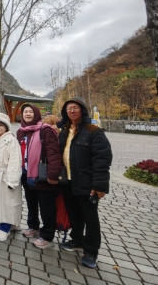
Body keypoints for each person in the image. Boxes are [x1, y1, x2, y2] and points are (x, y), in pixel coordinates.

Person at [58, 98, 112, 269]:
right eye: (68, 109)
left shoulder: (93, 131)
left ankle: (91, 251)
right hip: (68, 182)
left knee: (90, 218)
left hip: (87, 183)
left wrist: (99, 186)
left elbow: (102, 159)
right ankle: (77, 240)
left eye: (75, 108)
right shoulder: (65, 130)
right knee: (74, 214)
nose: (72, 111)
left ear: (82, 110)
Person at [16, 104, 62, 249]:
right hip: (26, 174)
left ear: (36, 114)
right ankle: (33, 226)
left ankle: (47, 236)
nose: (28, 114)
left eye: (30, 111)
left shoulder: (45, 130)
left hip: (42, 175)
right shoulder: (20, 131)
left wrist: (53, 174)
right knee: (31, 203)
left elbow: (54, 153)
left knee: (46, 206)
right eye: (25, 112)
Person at [0, 113, 22, 241]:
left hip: (6, 176)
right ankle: (12, 223)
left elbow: (15, 161)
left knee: (8, 202)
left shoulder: (11, 140)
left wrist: (12, 180)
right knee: (1, 202)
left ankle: (5, 228)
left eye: (1, 125)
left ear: (6, 127)